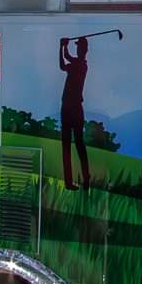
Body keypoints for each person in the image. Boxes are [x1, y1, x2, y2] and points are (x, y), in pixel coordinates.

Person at [59, 36, 93, 192]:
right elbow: (65, 60)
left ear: (84, 50)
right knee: (69, 144)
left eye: (79, 47)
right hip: (69, 107)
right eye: (77, 47)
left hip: (73, 108)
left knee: (77, 144)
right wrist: (63, 47)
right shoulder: (78, 64)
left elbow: (63, 63)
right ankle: (71, 181)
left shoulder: (80, 65)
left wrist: (62, 46)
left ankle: (85, 179)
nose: (78, 49)